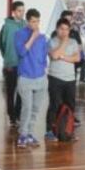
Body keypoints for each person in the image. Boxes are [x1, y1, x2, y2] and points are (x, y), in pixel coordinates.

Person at [13, 8, 48, 149]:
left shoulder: (43, 37)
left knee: (36, 108)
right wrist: (33, 37)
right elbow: (21, 52)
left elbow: (44, 56)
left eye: (38, 21)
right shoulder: (19, 34)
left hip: (40, 78)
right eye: (33, 21)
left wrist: (44, 69)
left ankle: (30, 134)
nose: (36, 24)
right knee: (26, 108)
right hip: (25, 77)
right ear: (27, 22)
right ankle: (22, 134)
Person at [45, 18, 80, 142]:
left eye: (66, 29)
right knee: (55, 105)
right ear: (57, 29)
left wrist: (63, 57)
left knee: (70, 106)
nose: (64, 32)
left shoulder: (74, 42)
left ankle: (67, 130)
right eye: (61, 29)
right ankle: (50, 131)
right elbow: (54, 56)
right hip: (56, 78)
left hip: (70, 79)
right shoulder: (52, 41)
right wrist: (64, 42)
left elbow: (77, 58)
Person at [0, 0, 25, 127]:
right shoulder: (7, 26)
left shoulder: (26, 25)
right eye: (19, 11)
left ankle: (18, 114)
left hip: (23, 64)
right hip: (10, 64)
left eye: (23, 10)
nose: (21, 13)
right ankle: (12, 116)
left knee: (22, 91)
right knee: (10, 91)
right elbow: (0, 42)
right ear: (13, 12)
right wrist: (7, 57)